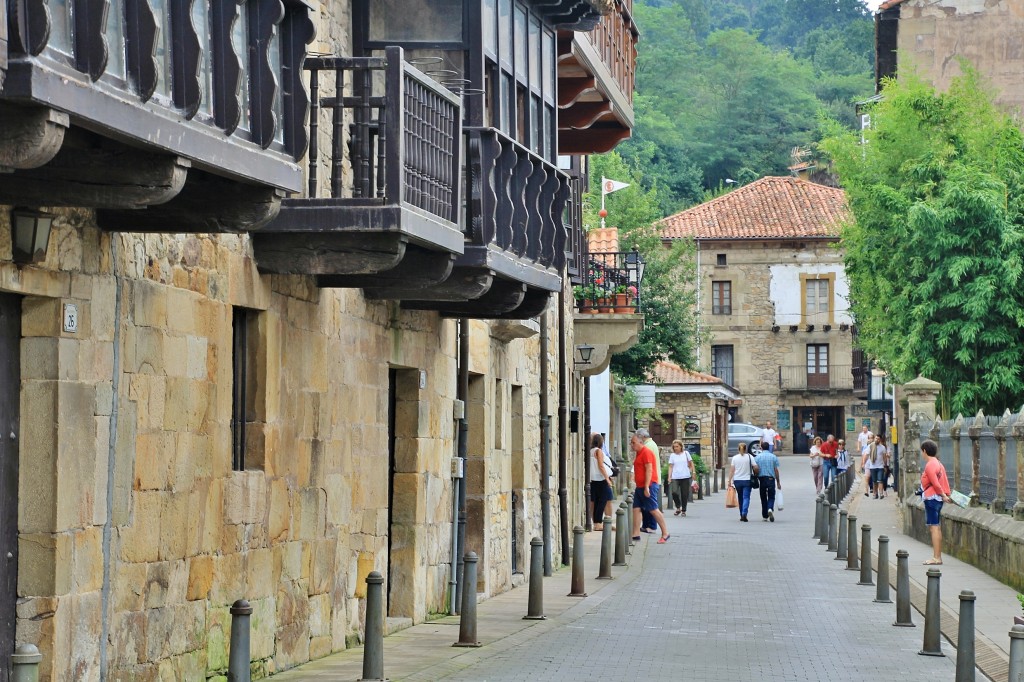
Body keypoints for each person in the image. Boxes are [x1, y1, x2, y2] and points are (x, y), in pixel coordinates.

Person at [630, 431, 670, 543]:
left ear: (640, 442)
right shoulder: (639, 453)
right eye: (631, 443)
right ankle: (635, 534)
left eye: (633, 443)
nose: (632, 445)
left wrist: (647, 486)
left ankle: (665, 533)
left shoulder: (646, 452)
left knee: (653, 509)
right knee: (636, 508)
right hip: (640, 486)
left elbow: (649, 470)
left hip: (649, 485)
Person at [920, 439, 952, 565]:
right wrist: (946, 495)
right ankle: (937, 556)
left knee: (934, 528)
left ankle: (936, 558)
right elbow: (944, 481)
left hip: (932, 498)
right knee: (936, 527)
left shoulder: (930, 465)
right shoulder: (939, 463)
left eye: (922, 452)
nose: (922, 454)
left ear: (925, 451)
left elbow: (935, 483)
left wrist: (943, 495)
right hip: (937, 498)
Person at [637, 428, 661, 532]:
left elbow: (648, 466)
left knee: (651, 506)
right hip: (651, 480)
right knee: (646, 505)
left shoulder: (647, 446)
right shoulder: (652, 444)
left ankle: (651, 526)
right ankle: (646, 525)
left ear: (642, 437)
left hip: (650, 481)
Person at [728, 442, 758, 522]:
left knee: (740, 497)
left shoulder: (734, 458)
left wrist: (729, 481)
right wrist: (756, 473)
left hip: (737, 480)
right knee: (746, 497)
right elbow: (755, 467)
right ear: (746, 449)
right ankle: (744, 513)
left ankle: (741, 514)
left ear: (738, 449)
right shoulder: (750, 457)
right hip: (747, 480)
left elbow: (732, 471)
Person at [589, 433, 614, 530]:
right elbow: (601, 465)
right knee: (603, 500)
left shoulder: (590, 451)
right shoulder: (598, 451)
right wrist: (607, 479)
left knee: (597, 501)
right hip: (601, 479)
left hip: (594, 479)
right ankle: (598, 522)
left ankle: (597, 522)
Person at [754, 441, 782, 522]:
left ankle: (765, 515)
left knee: (763, 497)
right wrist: (778, 482)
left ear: (761, 448)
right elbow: (776, 470)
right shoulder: (773, 457)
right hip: (770, 479)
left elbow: (755, 469)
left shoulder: (757, 457)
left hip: (762, 479)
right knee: (771, 496)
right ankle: (770, 508)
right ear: (769, 447)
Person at [667, 440, 695, 517]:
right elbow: (670, 466)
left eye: (677, 446)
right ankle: (678, 507)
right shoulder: (672, 455)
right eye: (674, 447)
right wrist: (669, 477)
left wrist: (693, 472)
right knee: (674, 492)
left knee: (684, 494)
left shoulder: (686, 453)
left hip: (685, 476)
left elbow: (691, 463)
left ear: (681, 447)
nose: (675, 448)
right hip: (675, 476)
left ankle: (684, 510)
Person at [869, 434, 889, 499]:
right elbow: (867, 454)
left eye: (878, 439)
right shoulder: (871, 446)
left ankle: (881, 493)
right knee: (874, 481)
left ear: (880, 440)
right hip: (873, 466)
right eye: (876, 438)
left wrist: (885, 466)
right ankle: (875, 494)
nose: (876, 440)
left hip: (880, 466)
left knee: (880, 480)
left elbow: (884, 457)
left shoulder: (882, 447)